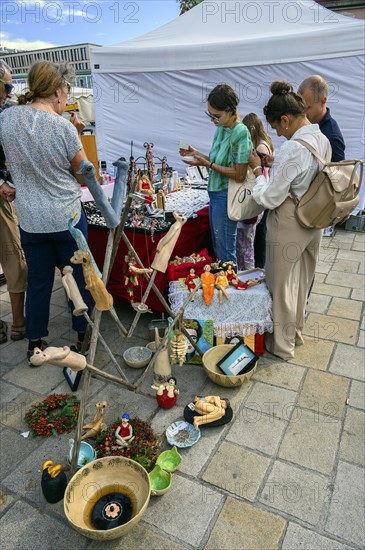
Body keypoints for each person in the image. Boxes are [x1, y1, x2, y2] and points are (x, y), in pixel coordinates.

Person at [0, 61, 92, 364]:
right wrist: (76, 134)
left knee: (39, 281)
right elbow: (83, 174)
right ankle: (82, 334)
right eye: (65, 92)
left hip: (30, 217)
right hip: (66, 216)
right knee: (77, 277)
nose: (66, 99)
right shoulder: (63, 126)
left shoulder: (7, 119)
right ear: (56, 90)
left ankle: (35, 342)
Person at [248, 80, 330, 361]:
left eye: (277, 127)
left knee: (280, 284)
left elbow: (270, 198)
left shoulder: (292, 148)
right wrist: (276, 167)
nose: (278, 134)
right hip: (315, 218)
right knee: (302, 280)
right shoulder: (321, 138)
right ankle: (294, 332)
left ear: (285, 119)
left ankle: (281, 345)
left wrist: (260, 174)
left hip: (290, 221)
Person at [180, 84, 252, 264]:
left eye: (216, 116)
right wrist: (196, 153)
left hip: (226, 195)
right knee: (219, 249)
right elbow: (216, 162)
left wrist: (209, 164)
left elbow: (240, 174)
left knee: (226, 252)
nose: (213, 119)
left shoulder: (240, 132)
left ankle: (230, 288)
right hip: (215, 194)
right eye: (209, 114)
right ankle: (223, 285)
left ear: (230, 111)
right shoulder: (221, 129)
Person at [0, 60, 27, 344]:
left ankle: (18, 322)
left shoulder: (6, 112)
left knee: (13, 258)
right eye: (7, 86)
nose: (9, 92)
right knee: (13, 257)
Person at [298, 75, 345, 237]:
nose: (303, 113)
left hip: (313, 213)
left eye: (308, 107)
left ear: (323, 100)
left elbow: (337, 182)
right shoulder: (310, 124)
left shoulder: (331, 136)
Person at [240, 113, 275, 269]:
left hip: (260, 190)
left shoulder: (260, 146)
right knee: (256, 237)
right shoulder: (265, 142)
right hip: (263, 188)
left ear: (252, 128)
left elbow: (257, 169)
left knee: (250, 238)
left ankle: (251, 268)